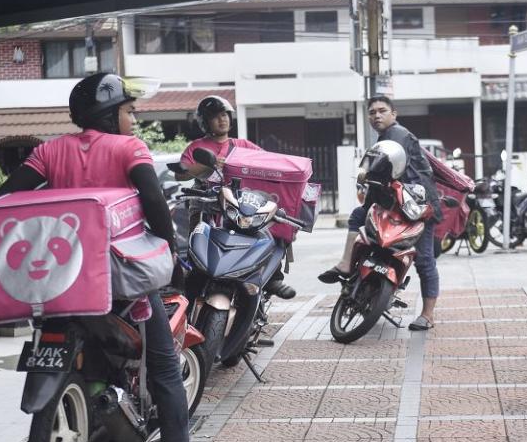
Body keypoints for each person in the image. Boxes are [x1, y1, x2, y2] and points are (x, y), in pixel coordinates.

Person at [0, 72, 223, 442]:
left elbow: (9, 196)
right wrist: (168, 249)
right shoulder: (128, 148)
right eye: (128, 110)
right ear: (108, 113)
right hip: (122, 282)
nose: (133, 118)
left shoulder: (50, 150)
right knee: (166, 367)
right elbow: (155, 201)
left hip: (60, 281)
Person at [319, 96, 442, 331]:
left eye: (382, 110)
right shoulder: (385, 138)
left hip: (417, 207)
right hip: (396, 202)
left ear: (393, 114)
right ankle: (354, 270)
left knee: (424, 260)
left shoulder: (397, 135)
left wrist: (366, 174)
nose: (376, 115)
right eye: (372, 112)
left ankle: (427, 315)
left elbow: (378, 169)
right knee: (361, 219)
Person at [179, 94, 294, 300]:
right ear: (205, 122)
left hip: (238, 203)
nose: (222, 119)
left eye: (225, 115)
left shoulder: (243, 145)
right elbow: (181, 173)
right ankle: (193, 281)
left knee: (267, 229)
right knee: (196, 234)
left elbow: (267, 163)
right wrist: (209, 164)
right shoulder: (196, 147)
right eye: (216, 116)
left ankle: (272, 277)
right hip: (207, 201)